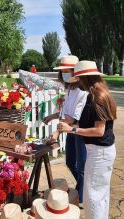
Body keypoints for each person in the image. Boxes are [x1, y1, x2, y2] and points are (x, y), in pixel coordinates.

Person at [57, 60, 117, 219]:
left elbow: (99, 130)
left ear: (83, 77)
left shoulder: (96, 97)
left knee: (93, 197)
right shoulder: (99, 93)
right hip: (103, 151)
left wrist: (72, 129)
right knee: (102, 195)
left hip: (98, 152)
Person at [43, 56, 88, 208]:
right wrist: (52, 116)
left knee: (81, 166)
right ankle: (85, 187)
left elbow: (70, 118)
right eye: (62, 72)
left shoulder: (82, 91)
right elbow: (64, 112)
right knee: (70, 162)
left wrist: (56, 134)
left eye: (67, 71)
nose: (64, 74)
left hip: (80, 131)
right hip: (70, 130)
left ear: (76, 72)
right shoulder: (69, 89)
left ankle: (81, 197)